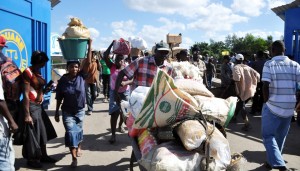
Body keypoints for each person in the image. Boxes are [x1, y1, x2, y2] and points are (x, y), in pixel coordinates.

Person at [262, 40, 300, 171]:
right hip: (289, 108)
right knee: (280, 137)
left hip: (273, 106)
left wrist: (266, 101)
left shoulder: (269, 64)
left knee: (268, 136)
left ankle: (280, 165)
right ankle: (270, 162)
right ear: (284, 50)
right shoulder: (295, 65)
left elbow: (265, 85)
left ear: (273, 50)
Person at [22, 51, 57, 168]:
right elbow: (26, 94)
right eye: (43, 63)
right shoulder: (28, 72)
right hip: (31, 106)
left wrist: (45, 90)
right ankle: (32, 159)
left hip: (38, 106)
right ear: (38, 62)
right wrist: (27, 114)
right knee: (34, 134)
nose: (43, 65)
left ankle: (43, 155)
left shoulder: (37, 72)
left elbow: (37, 89)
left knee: (43, 132)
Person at [103, 41, 132, 144]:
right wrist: (112, 44)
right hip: (113, 92)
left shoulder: (127, 68)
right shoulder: (112, 67)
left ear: (124, 61)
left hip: (125, 93)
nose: (119, 61)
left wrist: (126, 82)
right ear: (114, 60)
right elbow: (105, 55)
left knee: (124, 113)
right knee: (114, 113)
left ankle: (120, 126)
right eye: (117, 59)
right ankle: (113, 135)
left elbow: (134, 79)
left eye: (121, 59)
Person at [0, 35, 19, 171]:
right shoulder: (6, 63)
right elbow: (0, 100)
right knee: (5, 160)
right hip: (2, 120)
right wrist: (11, 121)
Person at [232, 53, 260, 131]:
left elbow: (237, 79)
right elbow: (258, 76)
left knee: (242, 105)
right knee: (240, 104)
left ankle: (247, 124)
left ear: (236, 60)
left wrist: (236, 88)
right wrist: (254, 83)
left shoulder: (236, 67)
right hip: (250, 91)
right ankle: (234, 117)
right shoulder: (248, 67)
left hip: (241, 90)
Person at [81, 50, 101, 115]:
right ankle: (90, 109)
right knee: (88, 94)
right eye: (93, 54)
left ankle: (90, 104)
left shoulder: (96, 62)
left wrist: (98, 62)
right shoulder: (85, 61)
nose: (94, 56)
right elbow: (82, 69)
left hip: (94, 81)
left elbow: (100, 70)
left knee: (94, 95)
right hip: (86, 80)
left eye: (95, 55)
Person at [250, 50, 267, 115]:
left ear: (257, 55)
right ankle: (260, 109)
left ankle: (253, 110)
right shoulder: (266, 63)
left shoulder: (254, 63)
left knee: (255, 96)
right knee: (263, 96)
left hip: (256, 82)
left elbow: (251, 73)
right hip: (264, 82)